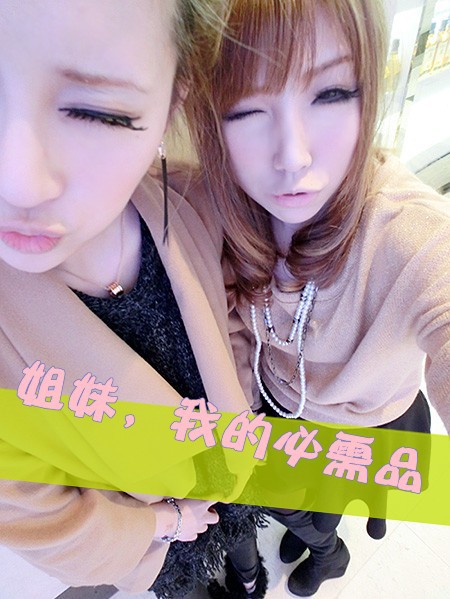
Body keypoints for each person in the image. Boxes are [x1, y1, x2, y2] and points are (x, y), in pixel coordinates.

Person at [185, 0, 450, 596]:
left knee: (319, 515)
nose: (293, 156)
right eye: (247, 108)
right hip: (273, 406)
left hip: (359, 426)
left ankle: (328, 556)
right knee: (282, 502)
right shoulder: (214, 206)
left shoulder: (411, 235)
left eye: (330, 94)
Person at [0, 1, 264, 596]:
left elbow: (234, 319)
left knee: (245, 553)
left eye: (97, 112)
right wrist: (166, 522)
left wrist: (242, 413)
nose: (18, 181)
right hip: (160, 533)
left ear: (174, 99)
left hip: (235, 471)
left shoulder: (193, 201)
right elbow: (46, 525)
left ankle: (250, 573)